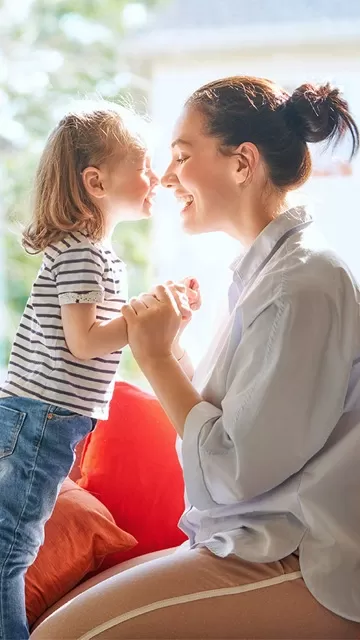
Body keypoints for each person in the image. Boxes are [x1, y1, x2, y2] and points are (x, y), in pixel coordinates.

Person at [31, 78, 360, 639]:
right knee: (65, 614)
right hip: (249, 539)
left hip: (302, 558)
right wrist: (175, 353)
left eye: (182, 155)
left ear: (242, 163)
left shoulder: (300, 284)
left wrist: (156, 358)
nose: (165, 175)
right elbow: (234, 428)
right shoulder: (268, 276)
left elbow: (235, 471)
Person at [0, 100, 197, 639]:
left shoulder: (91, 252)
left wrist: (151, 311)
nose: (156, 176)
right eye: (142, 165)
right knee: (11, 549)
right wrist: (145, 316)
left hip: (39, 419)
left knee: (13, 544)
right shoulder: (84, 253)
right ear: (96, 181)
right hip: (41, 418)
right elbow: (85, 342)